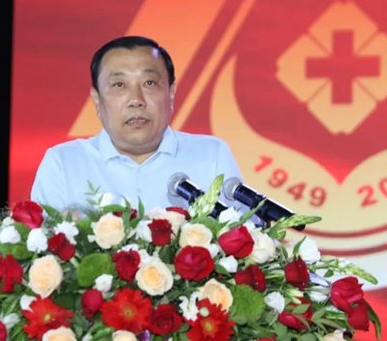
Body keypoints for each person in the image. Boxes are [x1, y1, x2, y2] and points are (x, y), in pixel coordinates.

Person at [30, 35, 242, 211]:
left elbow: (241, 236)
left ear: (171, 93)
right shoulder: (64, 163)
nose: (136, 100)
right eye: (119, 85)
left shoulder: (212, 155)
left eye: (149, 83)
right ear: (96, 99)